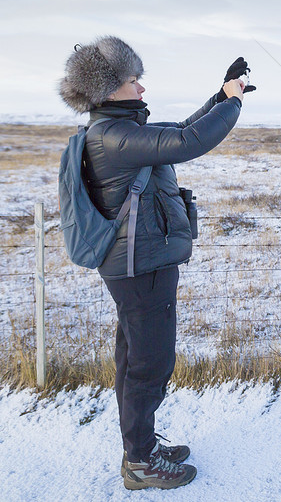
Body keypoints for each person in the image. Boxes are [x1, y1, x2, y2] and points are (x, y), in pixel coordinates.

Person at [58, 36, 252, 490]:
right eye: (133, 80)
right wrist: (236, 104)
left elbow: (182, 128)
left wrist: (221, 95)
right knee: (150, 362)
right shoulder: (114, 136)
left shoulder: (118, 130)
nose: (142, 88)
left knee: (135, 357)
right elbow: (189, 141)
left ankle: (140, 447)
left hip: (138, 263)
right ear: (108, 90)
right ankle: (141, 463)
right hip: (140, 267)